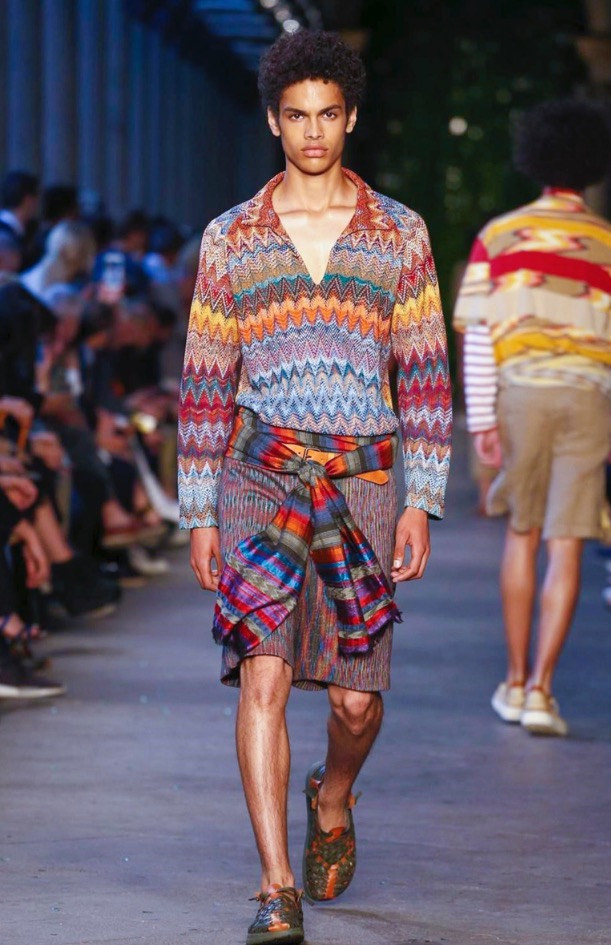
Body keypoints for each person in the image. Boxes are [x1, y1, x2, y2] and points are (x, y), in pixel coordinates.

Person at [178, 30, 451, 945]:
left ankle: (332, 795)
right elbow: (206, 379)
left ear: (350, 117)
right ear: (272, 121)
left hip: (361, 481)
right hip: (258, 475)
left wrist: (421, 496)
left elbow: (423, 374)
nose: (312, 132)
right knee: (262, 674)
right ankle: (275, 885)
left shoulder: (399, 231)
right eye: (296, 116)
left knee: (353, 701)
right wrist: (199, 508)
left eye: (328, 115)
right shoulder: (231, 236)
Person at [454, 99, 611, 737]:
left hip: (521, 393)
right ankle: (545, 691)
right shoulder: (606, 243)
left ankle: (515, 684)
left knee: (522, 534)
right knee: (566, 544)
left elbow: (479, 336)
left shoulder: (501, 235)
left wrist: (483, 420)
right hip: (590, 399)